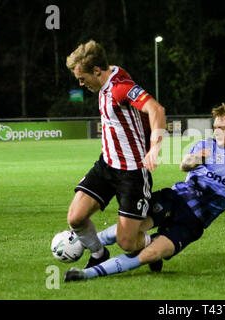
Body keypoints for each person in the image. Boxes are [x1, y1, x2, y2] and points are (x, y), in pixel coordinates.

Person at [64, 102, 225, 282]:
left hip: (194, 223)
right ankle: (82, 243)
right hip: (174, 199)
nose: (217, 131)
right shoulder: (204, 146)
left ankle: (85, 275)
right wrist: (195, 161)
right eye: (215, 126)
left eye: (223, 127)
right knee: (127, 235)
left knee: (150, 254)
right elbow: (184, 164)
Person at [65, 40, 166, 268]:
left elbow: (156, 109)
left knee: (127, 242)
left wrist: (155, 147)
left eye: (82, 78)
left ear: (97, 71)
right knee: (76, 217)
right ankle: (99, 254)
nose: (81, 84)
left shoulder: (120, 87)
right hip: (107, 165)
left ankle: (155, 243)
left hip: (131, 173)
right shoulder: (114, 72)